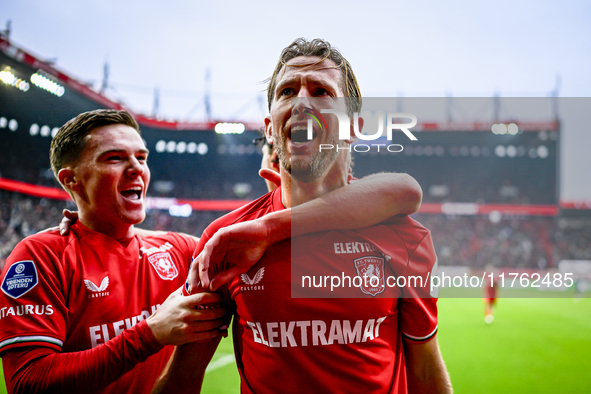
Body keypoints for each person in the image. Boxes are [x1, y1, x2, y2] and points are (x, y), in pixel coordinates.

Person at [155, 38, 452, 393]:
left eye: (322, 91)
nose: (301, 102)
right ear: (269, 128)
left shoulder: (404, 237)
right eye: (288, 91)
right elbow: (182, 379)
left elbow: (426, 375)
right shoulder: (226, 238)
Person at [0, 110, 228, 393]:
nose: (137, 169)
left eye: (141, 158)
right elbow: (28, 383)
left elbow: (256, 252)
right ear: (71, 180)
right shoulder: (41, 256)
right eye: (115, 158)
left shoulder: (180, 250)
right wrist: (150, 334)